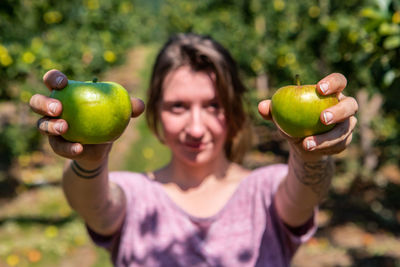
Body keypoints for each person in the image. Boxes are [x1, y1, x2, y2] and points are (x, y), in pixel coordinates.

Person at [29, 33, 358, 266]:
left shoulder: (265, 191)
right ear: (155, 112)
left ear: (233, 110)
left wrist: (309, 154)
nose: (196, 128)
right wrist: (90, 158)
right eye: (178, 107)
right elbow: (94, 205)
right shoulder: (137, 197)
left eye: (213, 105)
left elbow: (303, 196)